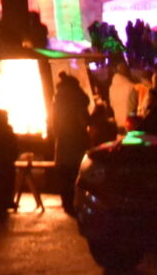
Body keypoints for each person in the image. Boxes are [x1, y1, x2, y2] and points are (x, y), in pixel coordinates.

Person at [51, 72, 91, 214]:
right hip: (76, 140)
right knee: (76, 171)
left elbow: (54, 123)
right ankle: (76, 203)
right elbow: (84, 120)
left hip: (62, 141)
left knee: (65, 173)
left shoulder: (57, 98)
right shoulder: (78, 98)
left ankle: (67, 203)